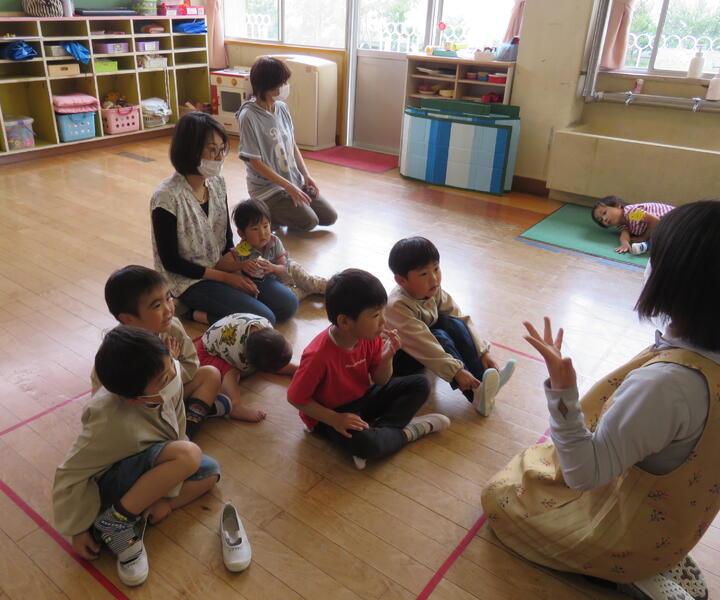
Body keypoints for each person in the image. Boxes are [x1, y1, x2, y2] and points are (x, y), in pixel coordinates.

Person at [482, 200, 720, 600]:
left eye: (655, 257)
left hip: (622, 528)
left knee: (500, 494)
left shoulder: (667, 385)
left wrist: (562, 392)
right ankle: (660, 556)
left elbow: (585, 474)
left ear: (676, 284)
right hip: (677, 522)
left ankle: (628, 570)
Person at [53, 325, 221, 587]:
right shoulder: (107, 421)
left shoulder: (168, 373)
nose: (173, 376)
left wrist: (168, 496)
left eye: (170, 365)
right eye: (164, 379)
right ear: (133, 400)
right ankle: (115, 522)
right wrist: (77, 528)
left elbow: (177, 425)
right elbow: (70, 473)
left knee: (209, 472)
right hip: (114, 479)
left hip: (152, 457)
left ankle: (147, 507)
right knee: (189, 455)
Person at [287, 268, 450, 471]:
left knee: (420, 384)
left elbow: (380, 380)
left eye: (383, 312)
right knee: (367, 445)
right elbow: (295, 398)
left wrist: (386, 358)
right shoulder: (318, 356)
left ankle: (382, 431)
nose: (383, 321)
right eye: (375, 315)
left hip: (362, 397)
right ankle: (408, 432)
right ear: (345, 322)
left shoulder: (369, 336)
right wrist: (335, 419)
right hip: (330, 415)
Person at [150, 111, 298, 325]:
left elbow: (226, 236)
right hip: (190, 280)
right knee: (264, 319)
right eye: (212, 150)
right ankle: (191, 311)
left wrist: (238, 266)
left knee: (287, 304)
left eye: (222, 149)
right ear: (190, 151)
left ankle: (221, 304)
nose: (219, 157)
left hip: (222, 266)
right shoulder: (166, 198)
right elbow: (171, 262)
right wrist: (227, 278)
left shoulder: (217, 183)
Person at [385, 237, 515, 417]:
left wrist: (483, 352)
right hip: (400, 360)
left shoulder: (431, 289)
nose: (434, 278)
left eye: (436, 269)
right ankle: (476, 394)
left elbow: (459, 318)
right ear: (401, 280)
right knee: (439, 335)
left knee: (452, 322)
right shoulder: (397, 306)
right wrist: (457, 371)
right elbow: (423, 344)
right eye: (424, 274)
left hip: (425, 347)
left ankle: (484, 377)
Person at [94, 265, 234, 430]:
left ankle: (189, 425)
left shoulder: (172, 327)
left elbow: (192, 365)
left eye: (168, 298)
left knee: (210, 374)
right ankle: (191, 412)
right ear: (128, 318)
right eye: (156, 306)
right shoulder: (117, 348)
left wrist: (172, 368)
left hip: (170, 393)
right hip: (140, 407)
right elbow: (106, 398)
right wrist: (168, 365)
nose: (168, 309)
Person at [235, 56, 337, 231]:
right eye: (282, 83)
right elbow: (255, 162)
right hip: (268, 190)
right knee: (310, 221)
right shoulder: (248, 116)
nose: (285, 86)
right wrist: (288, 187)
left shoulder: (282, 107)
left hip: (293, 181)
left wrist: (306, 175)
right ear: (267, 85)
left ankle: (287, 209)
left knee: (330, 216)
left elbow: (292, 145)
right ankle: (266, 212)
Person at [216, 198, 327, 299]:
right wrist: (241, 265)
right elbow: (220, 265)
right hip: (273, 285)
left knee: (297, 271)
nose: (262, 233)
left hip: (285, 272)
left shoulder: (274, 241)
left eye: (265, 226)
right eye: (255, 229)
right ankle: (307, 291)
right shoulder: (242, 250)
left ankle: (324, 286)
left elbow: (283, 267)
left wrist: (273, 268)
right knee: (288, 296)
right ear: (242, 234)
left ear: (270, 224)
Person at [196, 312, 297, 422]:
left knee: (271, 357)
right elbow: (244, 369)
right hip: (207, 352)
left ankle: (296, 369)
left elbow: (271, 355)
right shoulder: (238, 354)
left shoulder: (265, 326)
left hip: (226, 336)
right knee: (232, 372)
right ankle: (236, 406)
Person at [591, 196, 675, 255]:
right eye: (601, 220)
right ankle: (647, 246)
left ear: (618, 206)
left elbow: (655, 220)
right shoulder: (623, 223)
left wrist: (643, 237)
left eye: (604, 213)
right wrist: (625, 244)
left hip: (672, 220)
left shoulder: (631, 214)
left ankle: (647, 245)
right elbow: (624, 234)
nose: (604, 219)